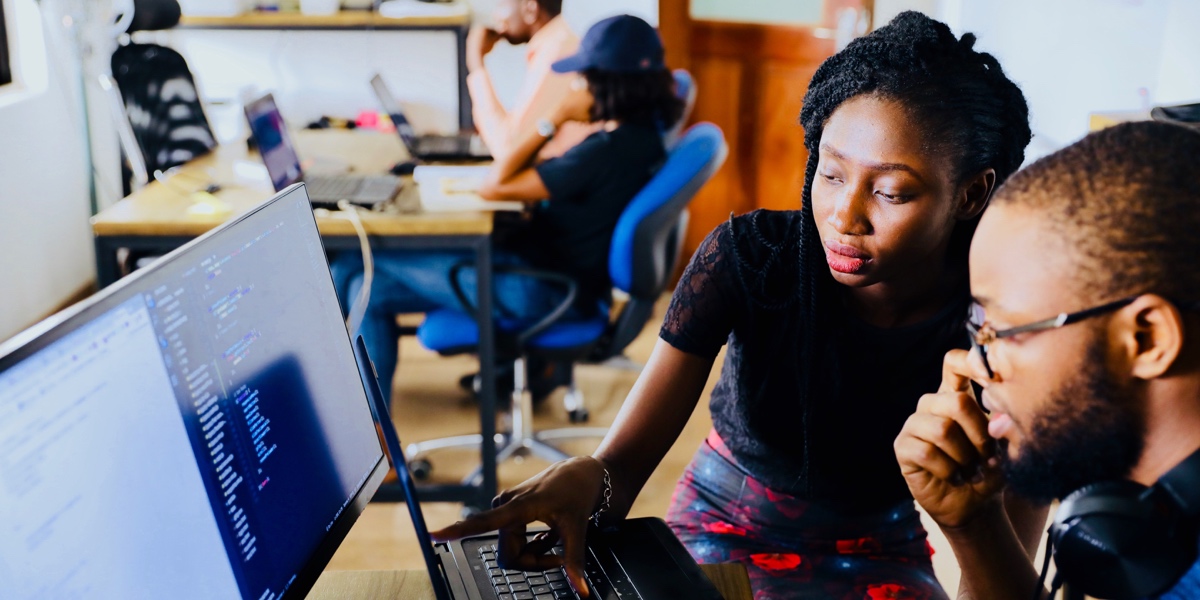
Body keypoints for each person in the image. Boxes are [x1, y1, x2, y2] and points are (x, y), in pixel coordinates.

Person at [431, 12, 1034, 599]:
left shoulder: (1007, 332)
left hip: (880, 543)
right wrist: (592, 478)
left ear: (972, 192)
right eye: (829, 175)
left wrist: (971, 522)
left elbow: (1008, 581)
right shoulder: (751, 260)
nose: (844, 219)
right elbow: (621, 467)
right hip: (723, 518)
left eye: (891, 191)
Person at [895, 122, 1200, 599]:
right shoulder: (1149, 526)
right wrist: (976, 526)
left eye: (1003, 330)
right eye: (978, 327)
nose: (973, 363)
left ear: (1146, 339)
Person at [333, 15, 684, 403]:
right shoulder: (644, 140)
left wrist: (553, 118)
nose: (574, 85)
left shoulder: (603, 153)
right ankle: (378, 433)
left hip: (540, 289)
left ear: (607, 83)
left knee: (354, 265)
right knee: (368, 287)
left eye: (582, 77)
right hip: (558, 279)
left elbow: (495, 183)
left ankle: (361, 425)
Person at [467, 0, 594, 159]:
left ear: (530, 9)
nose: (495, 15)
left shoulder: (555, 55)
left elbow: (508, 149)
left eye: (501, 4)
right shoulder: (556, 45)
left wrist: (476, 63)